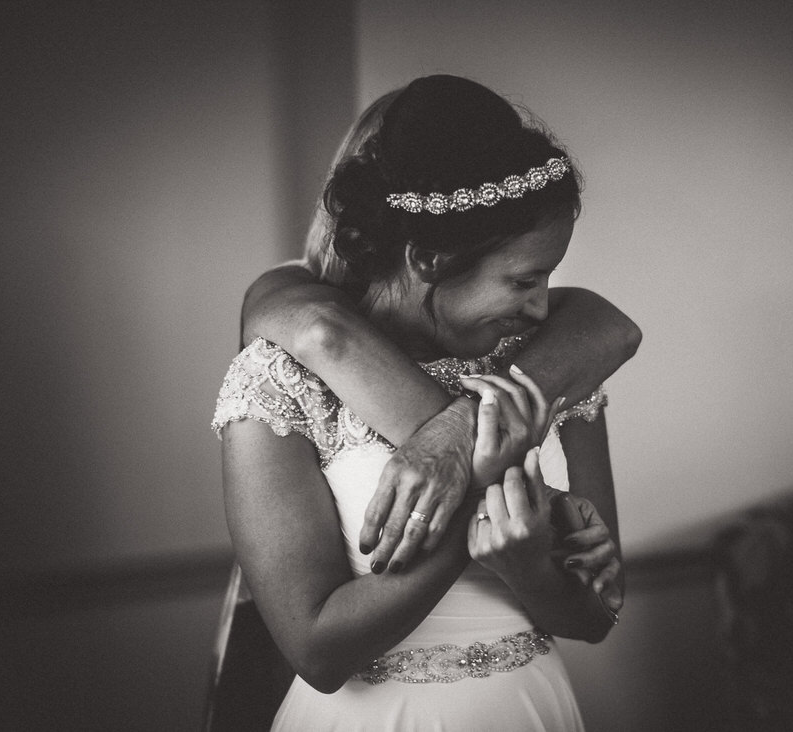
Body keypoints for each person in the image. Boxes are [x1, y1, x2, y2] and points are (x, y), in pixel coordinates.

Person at [211, 75, 637, 730]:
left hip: (531, 708)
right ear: (430, 257)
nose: (541, 306)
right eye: (524, 279)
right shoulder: (278, 380)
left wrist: (530, 570)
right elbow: (317, 651)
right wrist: (481, 494)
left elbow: (595, 614)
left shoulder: (546, 367)